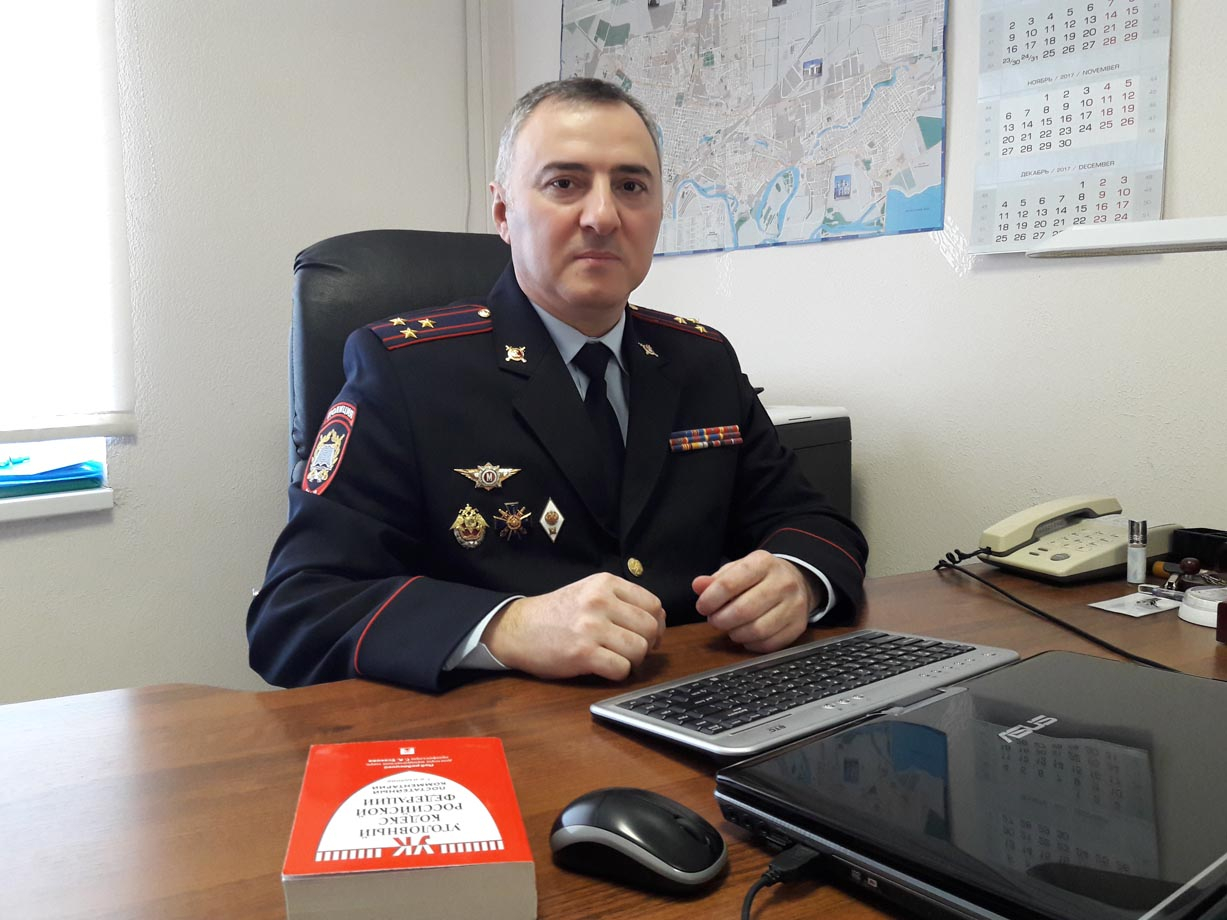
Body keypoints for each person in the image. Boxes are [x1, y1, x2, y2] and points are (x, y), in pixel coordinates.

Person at [247, 78, 867, 692]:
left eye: (630, 186)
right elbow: (296, 611)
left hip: (702, 706)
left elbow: (813, 520)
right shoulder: (405, 371)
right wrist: (506, 626)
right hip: (509, 730)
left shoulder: (701, 361)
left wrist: (798, 577)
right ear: (503, 213)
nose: (602, 216)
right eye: (564, 184)